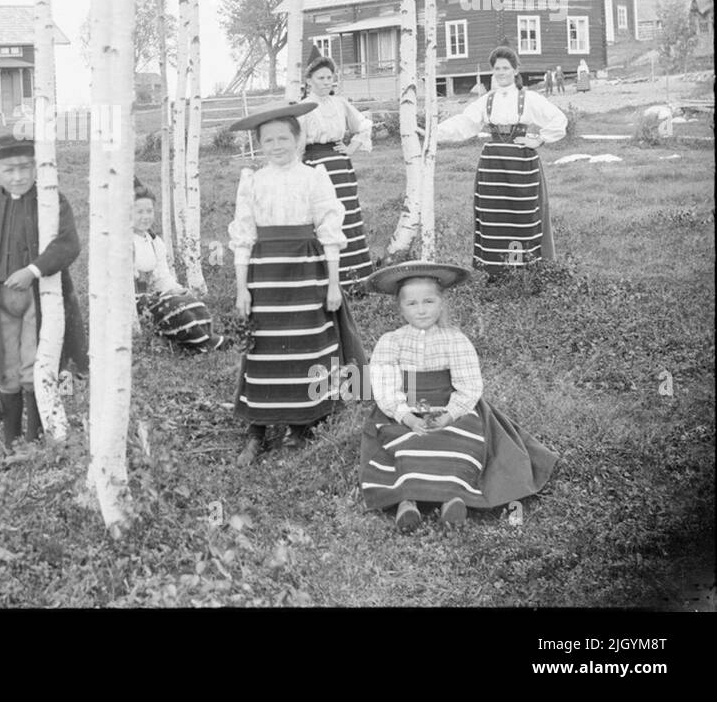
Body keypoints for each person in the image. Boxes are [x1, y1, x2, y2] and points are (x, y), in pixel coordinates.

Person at [359, 260, 558, 532]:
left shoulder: (454, 339)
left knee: (462, 438)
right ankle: (407, 501)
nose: (421, 310)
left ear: (441, 303)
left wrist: (450, 414)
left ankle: (453, 499)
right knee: (403, 441)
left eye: (428, 302)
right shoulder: (390, 341)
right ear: (400, 308)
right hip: (406, 406)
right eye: (412, 304)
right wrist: (405, 416)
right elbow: (384, 385)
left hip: (448, 404)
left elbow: (468, 385)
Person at [228, 104, 365, 466]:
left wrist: (334, 284)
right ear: (259, 144)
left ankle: (299, 427)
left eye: (283, 138)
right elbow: (243, 236)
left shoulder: (314, 176)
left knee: (307, 342)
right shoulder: (253, 181)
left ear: (298, 139)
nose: (276, 145)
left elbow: (330, 230)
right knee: (265, 346)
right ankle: (257, 428)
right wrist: (242, 289)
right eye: (268, 139)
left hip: (307, 270)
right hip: (266, 272)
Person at [0, 135, 87, 450]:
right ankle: (11, 440)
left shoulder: (51, 199)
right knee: (7, 366)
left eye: (24, 168)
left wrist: (33, 270)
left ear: (36, 168)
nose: (17, 176)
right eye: (8, 170)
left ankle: (34, 437)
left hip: (39, 298)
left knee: (36, 362)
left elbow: (69, 243)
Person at [434, 46, 567, 270]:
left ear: (515, 71)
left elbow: (558, 119)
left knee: (521, 215)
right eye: (497, 68)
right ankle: (495, 270)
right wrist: (433, 132)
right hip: (493, 165)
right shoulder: (487, 100)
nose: (502, 72)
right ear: (492, 71)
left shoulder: (530, 98)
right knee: (493, 216)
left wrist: (539, 140)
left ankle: (521, 269)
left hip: (521, 165)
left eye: (506, 68)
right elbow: (464, 123)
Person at [298, 57, 375, 289]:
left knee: (347, 216)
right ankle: (327, 281)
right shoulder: (302, 107)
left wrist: (351, 147)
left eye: (329, 78)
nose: (325, 82)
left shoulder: (340, 103)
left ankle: (356, 279)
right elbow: (299, 143)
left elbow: (363, 125)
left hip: (340, 167)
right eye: (320, 78)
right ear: (309, 80)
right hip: (315, 166)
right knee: (322, 217)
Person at [133, 184, 226, 353]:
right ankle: (200, 344)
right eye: (139, 212)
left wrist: (176, 289)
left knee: (192, 302)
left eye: (149, 211)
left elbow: (162, 277)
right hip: (130, 303)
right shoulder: (123, 243)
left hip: (152, 296)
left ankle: (203, 340)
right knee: (177, 308)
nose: (145, 217)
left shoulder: (155, 242)